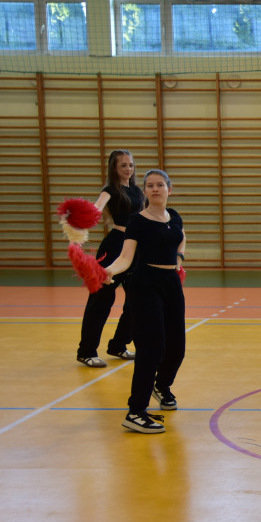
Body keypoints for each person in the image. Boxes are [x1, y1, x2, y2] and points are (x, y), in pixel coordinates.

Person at [102, 169, 186, 434]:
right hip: (145, 284)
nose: (154, 189)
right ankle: (136, 411)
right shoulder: (136, 220)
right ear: (145, 191)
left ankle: (161, 387)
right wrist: (110, 271)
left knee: (177, 347)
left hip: (171, 283)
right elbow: (126, 257)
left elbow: (180, 240)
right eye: (149, 185)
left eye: (160, 185)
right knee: (152, 348)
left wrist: (180, 260)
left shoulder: (174, 217)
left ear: (169, 190)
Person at [76, 150, 144, 367]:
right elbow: (96, 209)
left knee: (137, 300)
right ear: (114, 168)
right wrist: (82, 219)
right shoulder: (110, 190)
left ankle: (118, 344)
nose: (128, 169)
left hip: (135, 247)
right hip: (115, 245)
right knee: (101, 300)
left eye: (130, 165)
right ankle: (86, 351)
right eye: (123, 165)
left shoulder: (137, 191)